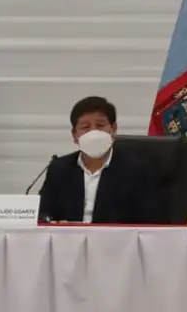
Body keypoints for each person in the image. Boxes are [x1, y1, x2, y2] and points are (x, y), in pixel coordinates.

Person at [38, 96, 159, 224]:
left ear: (113, 130)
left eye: (100, 125)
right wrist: (54, 223)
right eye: (85, 127)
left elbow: (149, 220)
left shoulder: (136, 171)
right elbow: (43, 213)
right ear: (75, 135)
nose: (93, 133)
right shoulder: (59, 168)